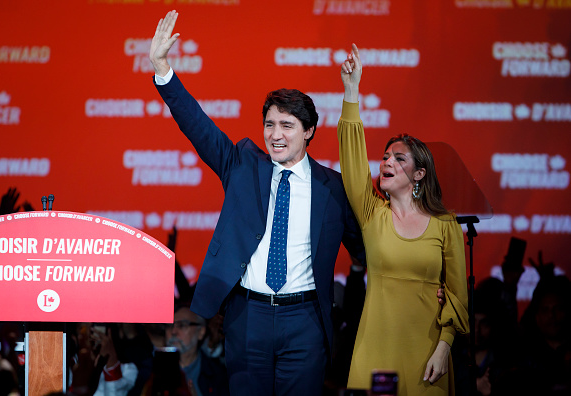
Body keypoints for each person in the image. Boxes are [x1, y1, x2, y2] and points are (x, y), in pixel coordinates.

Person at [149, 10, 365, 396]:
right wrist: (163, 68)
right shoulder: (243, 164)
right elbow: (198, 126)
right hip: (248, 316)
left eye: (287, 126)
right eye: (269, 124)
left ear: (309, 131)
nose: (275, 135)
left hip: (306, 321)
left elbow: (366, 250)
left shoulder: (333, 188)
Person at [337, 44, 469, 395]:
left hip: (428, 356)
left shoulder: (445, 224)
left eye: (399, 158)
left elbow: (457, 293)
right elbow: (351, 160)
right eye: (384, 157)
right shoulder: (372, 213)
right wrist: (352, 91)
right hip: (375, 349)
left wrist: (445, 347)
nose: (387, 162)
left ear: (419, 174)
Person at [164, 305, 229, 396]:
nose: (173, 331)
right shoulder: (152, 369)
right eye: (170, 325)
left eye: (182, 325)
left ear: (201, 332)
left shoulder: (218, 376)